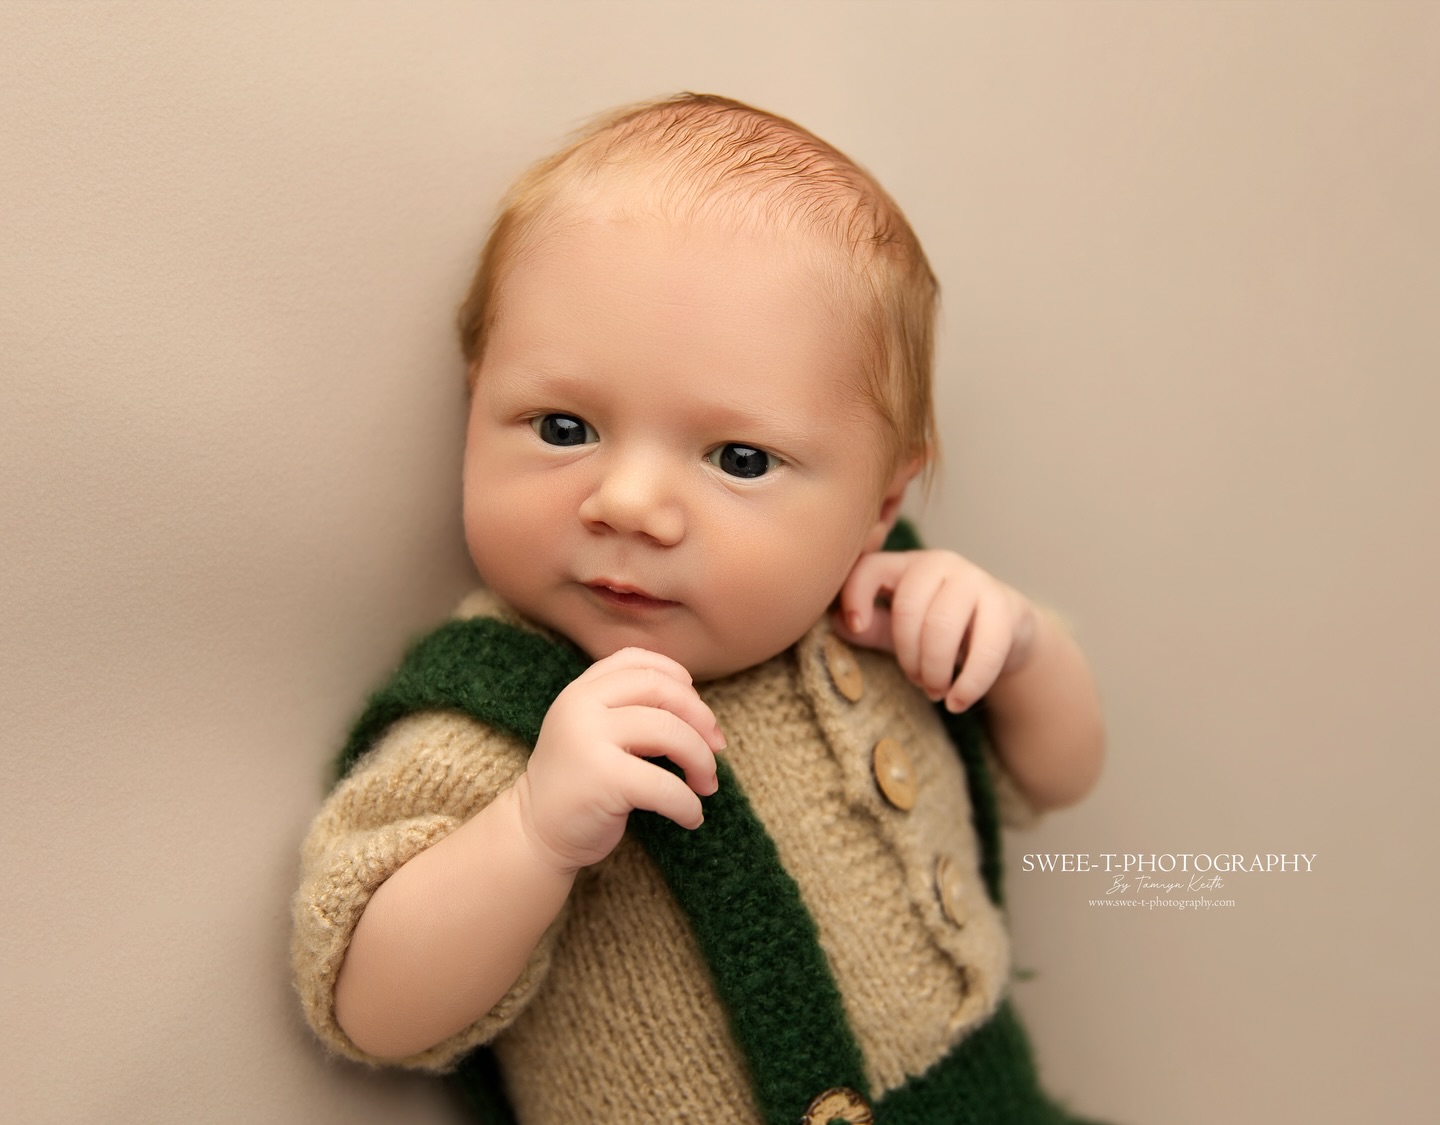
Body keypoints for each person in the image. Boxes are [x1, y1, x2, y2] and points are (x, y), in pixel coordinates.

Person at [292, 93, 1107, 1125]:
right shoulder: (503, 721)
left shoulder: (883, 618)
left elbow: (1060, 774)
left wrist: (1019, 649)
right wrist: (533, 833)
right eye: (562, 427)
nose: (629, 503)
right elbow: (370, 1009)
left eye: (740, 459)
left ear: (878, 506)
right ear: (474, 404)